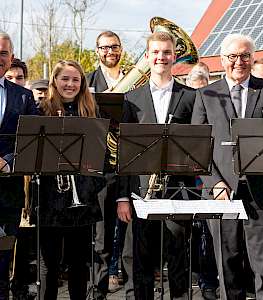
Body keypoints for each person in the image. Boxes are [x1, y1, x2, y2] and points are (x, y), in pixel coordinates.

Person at [191, 33, 263, 300]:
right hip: (221, 194)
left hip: (262, 192)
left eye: (245, 56)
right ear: (223, 59)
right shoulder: (205, 95)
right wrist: (214, 184)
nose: (239, 62)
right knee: (227, 265)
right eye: (233, 56)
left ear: (253, 58)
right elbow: (198, 149)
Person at [118, 31, 197, 300]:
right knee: (139, 261)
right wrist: (122, 198)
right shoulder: (131, 99)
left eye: (166, 52)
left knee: (178, 258)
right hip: (141, 192)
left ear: (174, 56)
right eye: (155, 52)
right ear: (147, 56)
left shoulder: (191, 97)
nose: (161, 57)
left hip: (178, 190)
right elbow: (124, 155)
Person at [36, 60, 104, 300]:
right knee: (49, 265)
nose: (70, 84)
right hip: (50, 200)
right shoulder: (40, 111)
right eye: (65, 78)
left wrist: (92, 184)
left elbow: (103, 158)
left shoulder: (91, 112)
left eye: (76, 80)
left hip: (82, 200)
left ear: (82, 84)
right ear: (54, 81)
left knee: (79, 264)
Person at [86, 30, 130, 299]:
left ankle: (127, 280)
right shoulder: (89, 81)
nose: (109, 51)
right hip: (100, 165)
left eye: (114, 47)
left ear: (121, 49)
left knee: (128, 232)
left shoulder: (135, 80)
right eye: (103, 48)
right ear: (97, 51)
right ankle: (99, 287)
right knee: (102, 233)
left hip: (127, 163)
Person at [0, 31, 39, 300]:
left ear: (11, 57)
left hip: (8, 191)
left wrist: (9, 161)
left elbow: (33, 140)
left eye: (3, 53)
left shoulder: (23, 97)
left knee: (3, 258)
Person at [185, 63, 219, 300]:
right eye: (194, 89)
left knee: (206, 231)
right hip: (187, 179)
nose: (198, 94)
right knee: (192, 232)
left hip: (208, 178)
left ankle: (208, 281)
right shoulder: (186, 104)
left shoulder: (213, 102)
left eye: (202, 89)